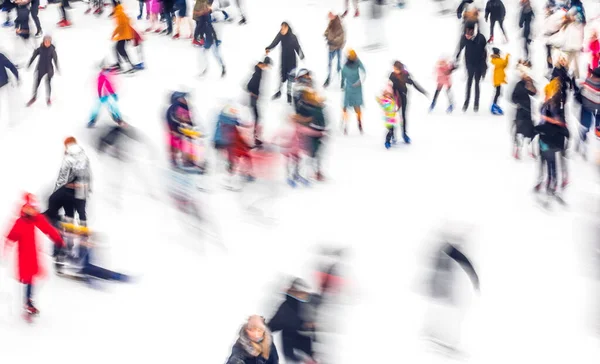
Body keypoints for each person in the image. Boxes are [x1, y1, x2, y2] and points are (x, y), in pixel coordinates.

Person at [4, 193, 64, 320]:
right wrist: (6, 249)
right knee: (28, 278)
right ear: (24, 208)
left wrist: (58, 240)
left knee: (33, 278)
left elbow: (49, 229)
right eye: (28, 208)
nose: (31, 210)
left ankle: (28, 301)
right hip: (24, 256)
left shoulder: (38, 219)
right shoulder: (19, 222)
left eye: (32, 208)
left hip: (34, 255)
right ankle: (28, 303)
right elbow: (11, 237)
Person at [45, 137, 91, 229]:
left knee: (69, 209)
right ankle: (83, 230)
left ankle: (70, 233)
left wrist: (56, 191)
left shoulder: (68, 157)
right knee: (81, 210)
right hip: (82, 187)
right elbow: (87, 173)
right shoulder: (83, 156)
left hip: (71, 188)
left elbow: (62, 177)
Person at [268, 279, 318, 364]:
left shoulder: (312, 303)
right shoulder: (287, 307)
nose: (301, 295)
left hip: (311, 347)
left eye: (303, 293)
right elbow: (274, 324)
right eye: (297, 292)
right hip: (293, 349)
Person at [265, 22, 305, 104]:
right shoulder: (280, 35)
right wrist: (269, 47)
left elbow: (297, 47)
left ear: (287, 28)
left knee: (290, 78)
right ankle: (279, 91)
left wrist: (301, 55)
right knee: (282, 76)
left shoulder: (293, 37)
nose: (282, 30)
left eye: (283, 29)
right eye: (281, 29)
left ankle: (289, 94)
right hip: (283, 59)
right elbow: (275, 41)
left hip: (292, 60)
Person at [389, 61, 427, 143]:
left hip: (403, 97)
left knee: (403, 116)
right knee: (392, 117)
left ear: (400, 69)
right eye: (394, 68)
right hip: (394, 98)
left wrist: (422, 91)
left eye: (396, 69)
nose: (394, 70)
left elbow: (413, 83)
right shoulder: (392, 75)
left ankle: (404, 134)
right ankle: (392, 134)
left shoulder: (405, 75)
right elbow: (388, 86)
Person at [456, 23, 487, 112]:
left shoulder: (481, 38)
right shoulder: (464, 38)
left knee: (477, 83)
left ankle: (476, 104)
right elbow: (460, 48)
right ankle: (466, 102)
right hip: (469, 64)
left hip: (479, 65)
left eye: (468, 34)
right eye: (466, 34)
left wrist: (484, 67)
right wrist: (457, 57)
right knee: (469, 83)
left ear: (473, 32)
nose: (467, 36)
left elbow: (485, 53)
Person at [511, 60, 537, 159]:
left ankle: (530, 151)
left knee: (530, 133)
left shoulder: (529, 83)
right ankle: (517, 150)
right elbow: (513, 98)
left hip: (528, 112)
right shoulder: (518, 85)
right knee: (519, 133)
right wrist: (518, 104)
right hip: (521, 112)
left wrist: (531, 87)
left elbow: (534, 93)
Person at [574, 67, 600, 160]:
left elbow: (580, 93)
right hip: (597, 111)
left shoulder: (587, 81)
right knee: (597, 127)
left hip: (586, 109)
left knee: (584, 127)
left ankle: (582, 142)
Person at [26, 35, 59, 107]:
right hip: (40, 69)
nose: (47, 43)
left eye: (48, 42)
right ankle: (34, 97)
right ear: (43, 42)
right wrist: (29, 64)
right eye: (45, 42)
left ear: (50, 42)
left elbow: (55, 60)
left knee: (48, 84)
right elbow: (33, 57)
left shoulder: (52, 50)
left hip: (49, 69)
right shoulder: (40, 49)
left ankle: (48, 98)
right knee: (36, 84)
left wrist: (57, 68)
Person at [246, 56, 272, 145]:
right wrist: (254, 93)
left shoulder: (259, 71)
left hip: (254, 98)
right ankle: (255, 138)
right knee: (257, 117)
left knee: (257, 117)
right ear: (265, 64)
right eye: (268, 66)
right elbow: (249, 85)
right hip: (253, 98)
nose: (268, 68)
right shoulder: (258, 73)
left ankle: (255, 137)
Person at [341, 49, 365, 135]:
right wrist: (342, 84)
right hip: (350, 89)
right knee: (347, 107)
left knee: (355, 107)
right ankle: (345, 125)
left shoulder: (356, 62)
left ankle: (358, 124)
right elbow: (343, 76)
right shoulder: (346, 66)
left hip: (355, 89)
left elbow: (364, 72)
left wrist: (360, 81)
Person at [323, 12, 345, 88]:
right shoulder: (330, 23)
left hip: (337, 47)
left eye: (330, 17)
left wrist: (332, 41)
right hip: (331, 47)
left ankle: (342, 80)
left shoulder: (339, 25)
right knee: (329, 64)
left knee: (339, 65)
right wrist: (326, 35)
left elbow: (341, 37)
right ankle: (328, 79)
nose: (329, 19)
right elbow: (326, 31)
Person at [112, 4, 136, 71]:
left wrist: (113, 34)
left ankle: (129, 65)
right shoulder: (121, 11)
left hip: (123, 35)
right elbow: (129, 20)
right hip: (125, 35)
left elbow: (120, 26)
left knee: (120, 49)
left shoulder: (118, 13)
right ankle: (120, 64)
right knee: (117, 49)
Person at [376, 83, 398, 149]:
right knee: (390, 130)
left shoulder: (391, 100)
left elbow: (393, 107)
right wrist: (380, 101)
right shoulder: (385, 101)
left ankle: (393, 138)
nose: (388, 95)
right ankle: (387, 141)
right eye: (387, 94)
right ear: (385, 94)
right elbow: (384, 106)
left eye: (389, 94)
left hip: (392, 118)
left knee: (393, 129)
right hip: (388, 118)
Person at [0, 52, 19, 123]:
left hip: (3, 84)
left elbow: (11, 66)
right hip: (3, 83)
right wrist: (17, 77)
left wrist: (17, 76)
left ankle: (10, 121)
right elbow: (11, 66)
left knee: (5, 103)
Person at [490, 47, 509, 115]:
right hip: (497, 79)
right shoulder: (496, 60)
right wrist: (505, 58)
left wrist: (507, 58)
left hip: (499, 79)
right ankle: (494, 105)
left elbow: (504, 65)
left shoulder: (498, 59)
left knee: (498, 93)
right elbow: (502, 63)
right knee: (498, 93)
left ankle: (495, 104)